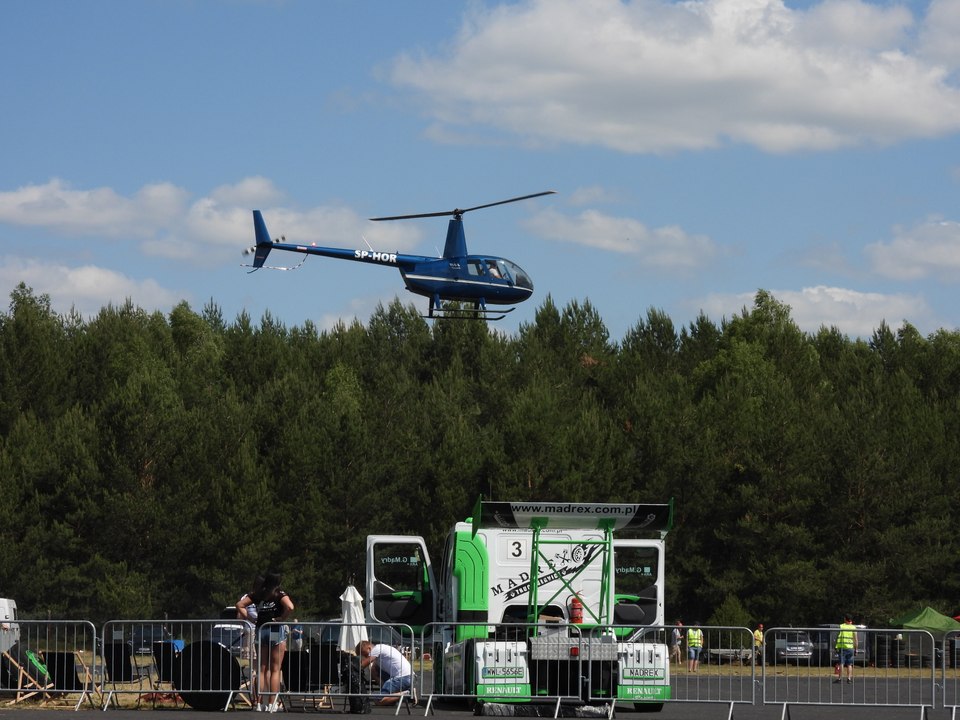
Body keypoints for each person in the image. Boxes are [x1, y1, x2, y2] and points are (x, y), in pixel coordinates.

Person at [238, 572, 294, 712]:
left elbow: (240, 605)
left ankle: (259, 703)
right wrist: (282, 617)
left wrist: (251, 619)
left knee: (261, 669)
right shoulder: (279, 594)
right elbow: (290, 607)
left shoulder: (259, 593)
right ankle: (272, 703)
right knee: (275, 669)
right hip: (274, 629)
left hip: (260, 630)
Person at [356, 639, 413, 706]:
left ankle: (406, 694)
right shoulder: (381, 649)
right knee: (374, 670)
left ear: (369, 648)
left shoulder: (376, 650)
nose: (365, 657)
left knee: (379, 700)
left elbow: (363, 664)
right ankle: (388, 694)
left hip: (402, 678)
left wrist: (352, 666)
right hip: (408, 677)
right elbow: (373, 669)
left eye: (364, 654)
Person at [834, 614, 858, 684]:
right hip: (850, 648)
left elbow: (837, 637)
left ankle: (840, 678)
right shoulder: (853, 627)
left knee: (841, 663)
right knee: (849, 664)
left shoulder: (841, 626)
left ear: (845, 619)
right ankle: (849, 678)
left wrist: (836, 646)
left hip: (842, 647)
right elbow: (856, 639)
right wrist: (856, 649)